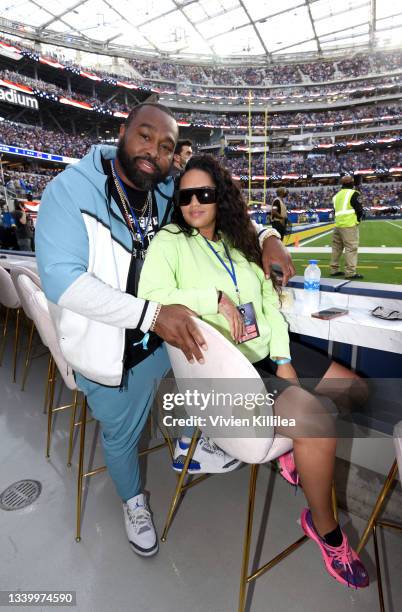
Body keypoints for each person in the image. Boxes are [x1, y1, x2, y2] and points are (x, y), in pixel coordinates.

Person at [35, 103, 295, 559]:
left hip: (161, 336)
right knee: (120, 435)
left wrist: (269, 234)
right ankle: (134, 502)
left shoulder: (163, 185)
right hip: (107, 348)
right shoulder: (69, 191)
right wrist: (151, 315)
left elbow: (221, 200)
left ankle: (188, 443)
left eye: (166, 146)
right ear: (123, 132)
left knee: (202, 369)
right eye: (144, 136)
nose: (152, 151)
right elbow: (63, 281)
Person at [138, 154, 369, 589]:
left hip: (266, 354)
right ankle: (326, 531)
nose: (193, 203)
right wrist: (215, 297)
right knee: (317, 422)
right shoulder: (170, 240)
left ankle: (291, 450)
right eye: (185, 195)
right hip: (230, 367)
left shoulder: (240, 238)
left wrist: (284, 361)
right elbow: (151, 295)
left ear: (219, 195)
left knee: (356, 391)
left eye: (203, 193)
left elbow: (267, 305)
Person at [330, 175, 364, 280]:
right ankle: (350, 272)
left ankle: (334, 270)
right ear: (351, 183)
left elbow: (335, 211)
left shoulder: (335, 196)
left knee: (336, 248)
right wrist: (357, 220)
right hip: (349, 225)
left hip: (337, 225)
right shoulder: (354, 193)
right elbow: (359, 210)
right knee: (351, 248)